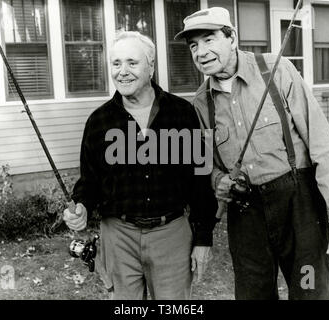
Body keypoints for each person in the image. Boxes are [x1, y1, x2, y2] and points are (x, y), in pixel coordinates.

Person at [175, 7, 329, 300]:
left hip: (299, 207)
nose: (200, 52)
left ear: (231, 37)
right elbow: (207, 168)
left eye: (208, 40)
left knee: (309, 290)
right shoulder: (200, 102)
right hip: (246, 215)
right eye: (193, 45)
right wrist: (218, 179)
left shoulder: (275, 69)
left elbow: (324, 147)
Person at [62, 31, 217, 300]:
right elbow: (89, 183)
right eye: (116, 63)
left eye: (132, 63)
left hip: (172, 235)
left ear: (151, 66)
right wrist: (80, 207)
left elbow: (200, 182)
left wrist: (203, 238)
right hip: (118, 237)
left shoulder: (183, 113)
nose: (123, 72)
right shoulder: (98, 121)